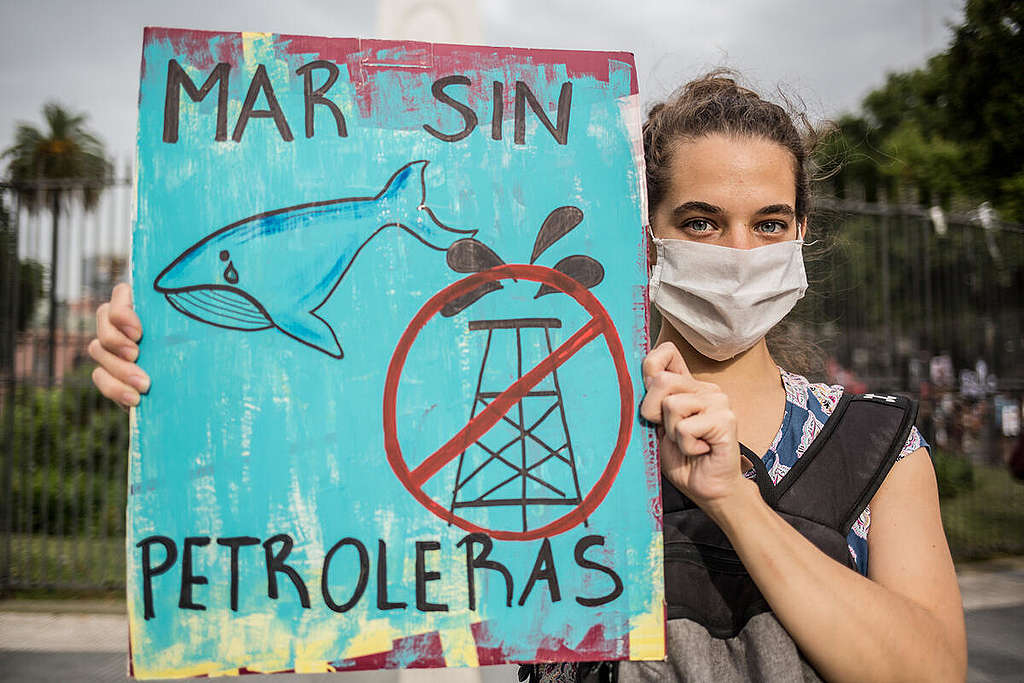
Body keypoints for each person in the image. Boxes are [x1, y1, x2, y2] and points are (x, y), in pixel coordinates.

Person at [89, 70, 967, 682]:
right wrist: (174, 347)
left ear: (803, 232)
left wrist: (735, 501)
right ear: (644, 229)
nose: (740, 252)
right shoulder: (559, 418)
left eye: (769, 222)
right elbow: (344, 445)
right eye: (700, 221)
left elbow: (929, 669)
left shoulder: (878, 443)